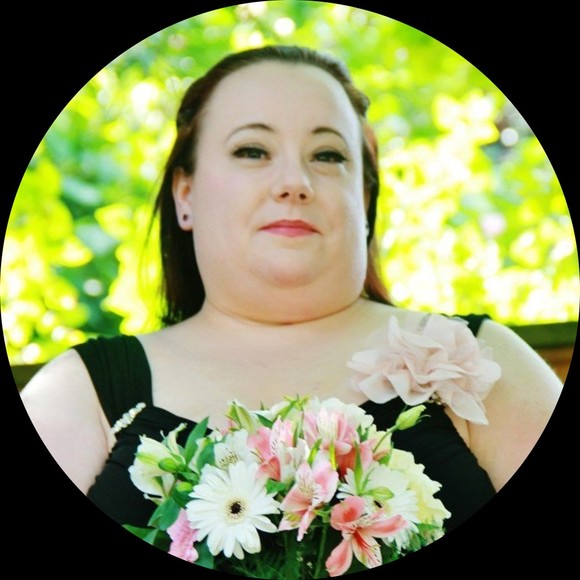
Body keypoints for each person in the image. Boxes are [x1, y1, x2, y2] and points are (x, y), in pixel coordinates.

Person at [20, 44, 562, 550]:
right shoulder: (80, 391)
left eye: (327, 155)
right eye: (252, 150)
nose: (294, 182)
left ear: (364, 198)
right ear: (185, 194)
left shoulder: (482, 358)